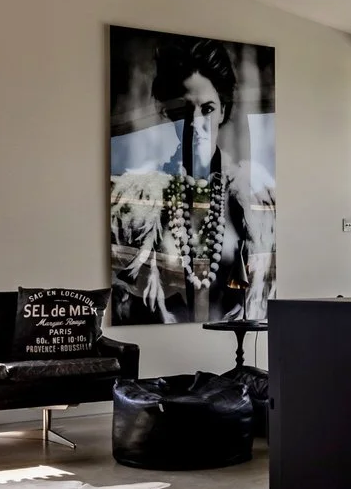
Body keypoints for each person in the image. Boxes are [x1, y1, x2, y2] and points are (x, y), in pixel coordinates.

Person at [110, 38, 275, 325]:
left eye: (207, 109)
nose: (196, 124)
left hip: (233, 340)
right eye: (184, 112)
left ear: (222, 110)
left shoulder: (253, 197)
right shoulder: (140, 201)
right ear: (169, 115)